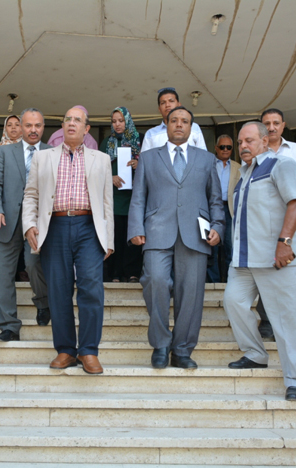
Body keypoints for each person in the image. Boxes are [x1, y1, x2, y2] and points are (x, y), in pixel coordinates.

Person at [128, 106, 224, 370]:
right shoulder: (148, 158)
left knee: (190, 293)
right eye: (174, 120)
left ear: (191, 128)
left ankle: (182, 349)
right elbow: (138, 197)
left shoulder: (206, 159)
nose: (179, 125)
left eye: (185, 121)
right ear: (167, 124)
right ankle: (161, 344)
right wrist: (135, 227)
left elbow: (215, 199)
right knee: (156, 281)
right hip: (156, 231)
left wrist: (218, 226)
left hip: (196, 235)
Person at [23, 106, 114, 375]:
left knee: (91, 289)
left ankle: (88, 351)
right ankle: (65, 350)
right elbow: (31, 194)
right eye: (67, 120)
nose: (72, 123)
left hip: (89, 227)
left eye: (77, 120)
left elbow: (107, 201)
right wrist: (29, 225)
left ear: (87, 129)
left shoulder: (101, 159)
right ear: (62, 127)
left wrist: (109, 239)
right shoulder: (43, 157)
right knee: (58, 290)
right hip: (55, 226)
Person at [224, 121, 296, 402]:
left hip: (276, 258)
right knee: (234, 302)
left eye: (248, 141)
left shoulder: (281, 164)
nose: (243, 146)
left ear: (264, 140)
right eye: (240, 142)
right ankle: (256, 354)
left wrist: (285, 242)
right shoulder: (244, 174)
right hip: (245, 259)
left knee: (287, 319)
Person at [255, 108, 296, 340]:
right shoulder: (256, 152)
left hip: (295, 225)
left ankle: (288, 324)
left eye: (276, 123)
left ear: (283, 125)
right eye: (267, 124)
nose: (271, 127)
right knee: (266, 272)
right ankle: (267, 321)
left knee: (292, 275)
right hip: (264, 226)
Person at [0, 108, 51, 342]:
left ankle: (43, 302)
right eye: (28, 125)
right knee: (4, 274)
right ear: (21, 127)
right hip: (7, 220)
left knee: (34, 264)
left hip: (38, 222)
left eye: (38, 125)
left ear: (43, 127)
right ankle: (9, 326)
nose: (33, 130)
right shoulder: (4, 152)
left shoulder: (52, 153)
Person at [100, 106, 143, 283]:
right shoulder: (106, 142)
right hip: (114, 198)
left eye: (121, 120)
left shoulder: (139, 140)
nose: (117, 124)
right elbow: (98, 169)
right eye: (114, 121)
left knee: (133, 234)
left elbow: (152, 165)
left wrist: (139, 164)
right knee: (115, 235)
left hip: (134, 197)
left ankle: (132, 273)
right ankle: (115, 274)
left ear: (128, 121)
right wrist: (110, 177)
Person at [208, 134, 241, 283]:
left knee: (229, 245)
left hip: (230, 209)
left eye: (229, 147)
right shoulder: (209, 164)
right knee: (212, 245)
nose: (225, 150)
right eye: (222, 147)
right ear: (216, 148)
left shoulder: (238, 167)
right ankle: (213, 280)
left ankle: (230, 280)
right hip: (212, 208)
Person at [141, 88, 207, 152]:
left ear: (179, 105)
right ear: (159, 109)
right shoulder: (151, 133)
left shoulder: (194, 127)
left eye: (171, 101)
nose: (167, 105)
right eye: (163, 103)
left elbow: (203, 154)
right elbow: (145, 158)